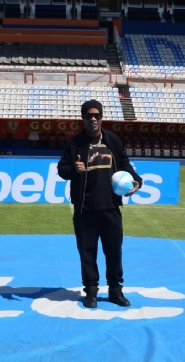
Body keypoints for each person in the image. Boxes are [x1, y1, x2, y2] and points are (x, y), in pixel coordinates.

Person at [58, 100, 143, 309]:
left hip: (110, 207)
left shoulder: (112, 140)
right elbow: (62, 170)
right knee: (87, 253)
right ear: (83, 118)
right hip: (84, 208)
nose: (93, 119)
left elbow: (124, 164)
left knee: (114, 251)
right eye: (89, 116)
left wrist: (136, 179)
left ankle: (115, 290)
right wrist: (74, 169)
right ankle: (91, 292)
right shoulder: (74, 143)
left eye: (97, 115)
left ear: (102, 117)